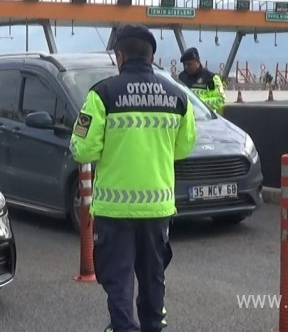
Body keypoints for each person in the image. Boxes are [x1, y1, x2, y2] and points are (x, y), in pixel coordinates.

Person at [70, 24, 197, 332]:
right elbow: (184, 147)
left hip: (115, 210)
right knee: (153, 275)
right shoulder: (178, 96)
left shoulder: (101, 94)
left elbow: (82, 149)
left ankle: (124, 328)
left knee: (118, 279)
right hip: (158, 208)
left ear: (120, 56)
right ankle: (153, 325)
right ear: (152, 56)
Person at [177, 47, 226, 115]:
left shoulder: (210, 79)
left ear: (197, 62)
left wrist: (198, 103)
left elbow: (220, 100)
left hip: (206, 119)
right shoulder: (182, 77)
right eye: (185, 64)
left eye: (189, 64)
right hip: (187, 119)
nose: (186, 67)